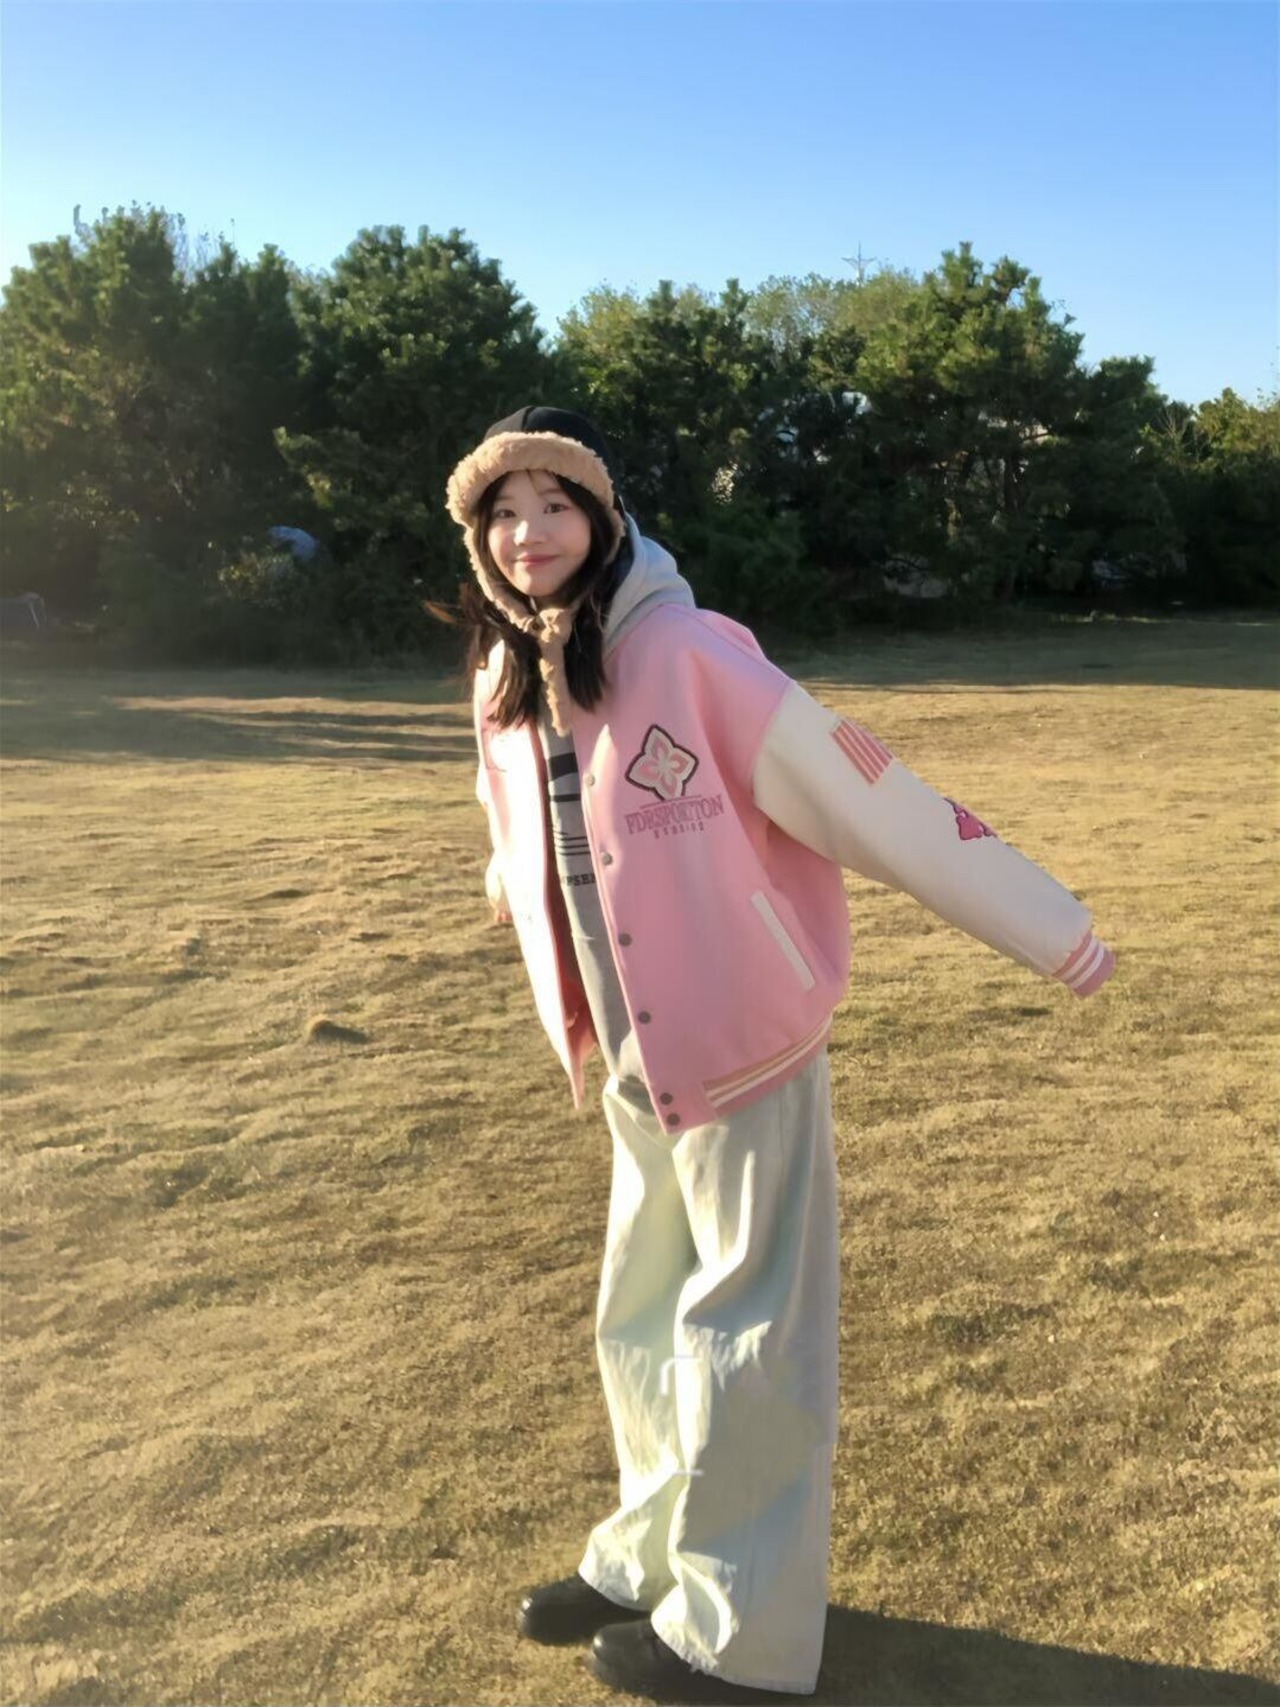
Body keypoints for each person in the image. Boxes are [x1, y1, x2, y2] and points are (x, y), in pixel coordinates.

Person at [443, 405, 1117, 1704]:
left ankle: (739, 1634)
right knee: (642, 1309)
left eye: (556, 503)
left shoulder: (691, 652)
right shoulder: (510, 672)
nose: (530, 533)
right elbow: (511, 809)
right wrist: (513, 891)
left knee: (751, 1330)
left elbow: (869, 793)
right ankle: (648, 1556)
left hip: (745, 1043)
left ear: (607, 517)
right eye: (504, 512)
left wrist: (1055, 931)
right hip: (634, 1054)